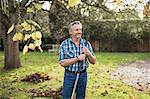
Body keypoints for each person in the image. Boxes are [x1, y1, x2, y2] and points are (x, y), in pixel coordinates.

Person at [59, 21, 96, 99]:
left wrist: (89, 54)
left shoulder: (86, 44)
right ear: (70, 32)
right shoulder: (64, 44)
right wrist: (77, 59)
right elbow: (62, 63)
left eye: (80, 29)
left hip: (83, 75)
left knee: (81, 97)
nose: (79, 32)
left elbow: (94, 61)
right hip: (69, 75)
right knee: (66, 97)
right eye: (77, 30)